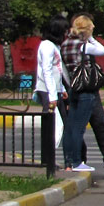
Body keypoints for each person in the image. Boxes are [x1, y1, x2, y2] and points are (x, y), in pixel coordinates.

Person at [61, 14, 104, 170]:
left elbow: (64, 70)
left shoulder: (65, 45)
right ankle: (77, 162)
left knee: (71, 127)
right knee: (79, 128)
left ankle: (70, 162)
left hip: (74, 88)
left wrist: (71, 83)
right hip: (86, 89)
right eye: (91, 28)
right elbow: (102, 50)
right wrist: (90, 38)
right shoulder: (83, 45)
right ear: (86, 30)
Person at [35, 15, 69, 159]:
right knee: (54, 126)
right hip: (48, 91)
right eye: (64, 30)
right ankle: (47, 160)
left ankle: (50, 159)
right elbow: (47, 71)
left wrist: (62, 89)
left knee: (61, 125)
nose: (66, 34)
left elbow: (58, 71)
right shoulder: (47, 46)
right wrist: (53, 96)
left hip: (55, 90)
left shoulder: (54, 46)